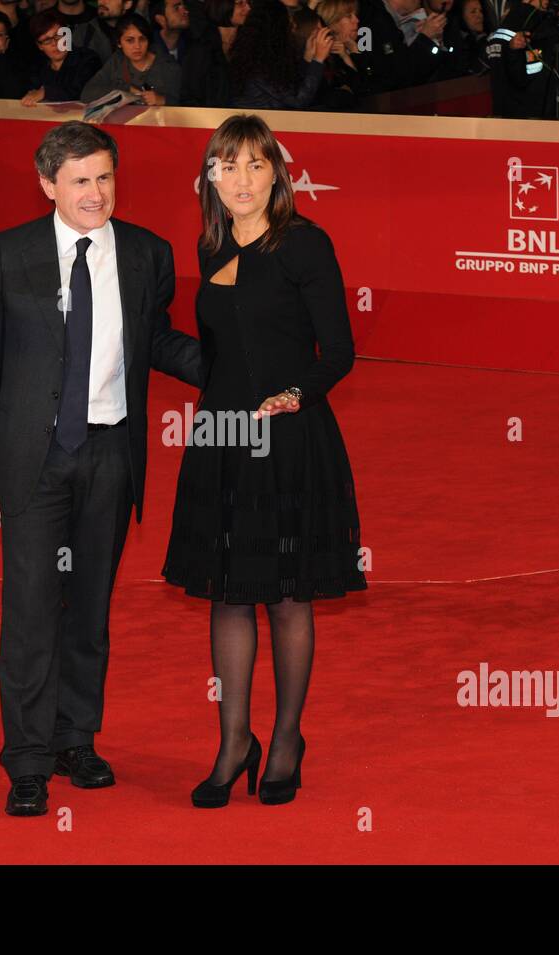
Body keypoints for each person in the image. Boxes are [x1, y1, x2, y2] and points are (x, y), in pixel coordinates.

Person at [0, 121, 205, 817]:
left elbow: (154, 339)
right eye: (79, 181)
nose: (95, 193)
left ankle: (76, 737)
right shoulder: (9, 253)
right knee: (32, 610)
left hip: (110, 454)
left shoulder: (147, 253)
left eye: (103, 178)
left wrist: (230, 371)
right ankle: (28, 758)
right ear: (48, 185)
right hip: (31, 461)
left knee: (90, 609)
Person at [163, 113, 366, 809]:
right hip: (221, 436)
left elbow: (338, 351)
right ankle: (232, 743)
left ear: (277, 173)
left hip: (288, 439)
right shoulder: (211, 241)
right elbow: (219, 356)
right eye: (227, 165)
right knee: (227, 591)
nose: (241, 179)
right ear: (209, 176)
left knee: (285, 593)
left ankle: (284, 739)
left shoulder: (304, 245)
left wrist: (291, 396)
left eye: (255, 165)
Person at [228, 0, 331, 108]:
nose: (293, 26)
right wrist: (318, 60)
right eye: (288, 21)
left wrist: (307, 58)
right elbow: (298, 100)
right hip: (257, 122)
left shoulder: (266, 57)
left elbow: (293, 87)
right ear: (276, 28)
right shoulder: (257, 63)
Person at [81, 10, 181, 102]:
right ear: (119, 43)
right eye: (130, 40)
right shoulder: (116, 61)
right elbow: (87, 93)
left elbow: (188, 101)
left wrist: (163, 100)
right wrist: (126, 89)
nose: (137, 46)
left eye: (142, 39)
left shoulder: (167, 65)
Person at [20, 9, 101, 104]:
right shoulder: (37, 66)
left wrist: (46, 92)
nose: (55, 43)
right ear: (40, 46)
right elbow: (31, 92)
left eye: (58, 36)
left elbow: (83, 92)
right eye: (47, 40)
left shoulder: (88, 58)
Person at [314, 0, 384, 107]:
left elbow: (374, 87)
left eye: (355, 15)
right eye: (349, 16)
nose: (356, 20)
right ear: (333, 23)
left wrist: (353, 52)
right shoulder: (326, 56)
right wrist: (346, 56)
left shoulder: (361, 43)